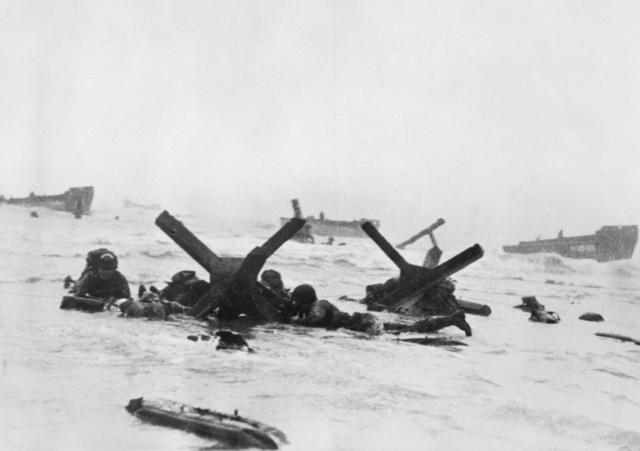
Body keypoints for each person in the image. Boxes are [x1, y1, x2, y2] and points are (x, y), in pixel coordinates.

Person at [290, 284, 472, 336]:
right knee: (407, 328)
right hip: (364, 320)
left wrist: (294, 321)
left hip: (363, 324)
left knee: (405, 333)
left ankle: (451, 320)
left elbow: (315, 319)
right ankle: (452, 319)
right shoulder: (319, 303)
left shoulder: (318, 305)